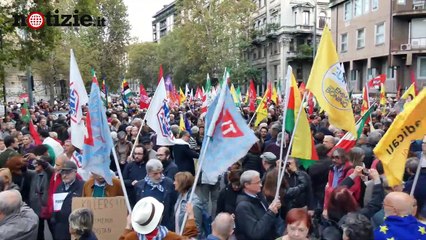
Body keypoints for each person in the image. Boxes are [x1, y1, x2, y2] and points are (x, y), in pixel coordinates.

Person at [119, 196, 199, 240]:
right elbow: (190, 238)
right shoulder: (172, 237)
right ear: (159, 218)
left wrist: (128, 227)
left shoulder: (130, 237)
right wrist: (191, 217)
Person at [234, 170, 282, 240]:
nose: (261, 185)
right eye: (257, 183)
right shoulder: (243, 207)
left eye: (260, 181)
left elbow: (266, 215)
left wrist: (275, 208)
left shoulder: (259, 195)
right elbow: (255, 233)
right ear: (247, 185)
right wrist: (271, 212)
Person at [134, 159, 176, 230]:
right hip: (146, 224)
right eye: (155, 173)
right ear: (148, 173)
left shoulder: (169, 183)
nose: (159, 176)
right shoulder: (140, 186)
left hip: (165, 224)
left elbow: (174, 203)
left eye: (160, 172)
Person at [52, 160, 85, 240]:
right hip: (60, 228)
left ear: (75, 172)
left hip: (75, 226)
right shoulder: (60, 187)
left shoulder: (82, 186)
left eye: (68, 172)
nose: (64, 175)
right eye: (63, 173)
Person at [27, 156, 54, 240]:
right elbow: (24, 171)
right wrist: (23, 161)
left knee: (53, 229)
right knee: (39, 232)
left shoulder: (49, 174)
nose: (35, 166)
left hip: (47, 206)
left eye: (38, 164)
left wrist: (37, 158)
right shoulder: (34, 174)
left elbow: (49, 168)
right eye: (35, 164)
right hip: (36, 207)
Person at [174, 171, 204, 235]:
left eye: (176, 181)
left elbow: (196, 228)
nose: (174, 183)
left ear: (182, 184)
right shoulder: (180, 196)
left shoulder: (194, 203)